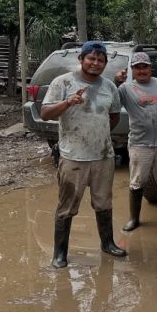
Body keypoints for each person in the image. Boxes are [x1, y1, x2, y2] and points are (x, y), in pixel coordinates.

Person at [41, 41, 127, 268]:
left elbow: (114, 116)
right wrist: (68, 102)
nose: (96, 63)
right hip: (73, 157)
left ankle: (107, 244)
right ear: (81, 59)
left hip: (103, 156)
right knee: (67, 206)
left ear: (104, 63)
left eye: (101, 60)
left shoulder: (109, 86)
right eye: (91, 58)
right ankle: (59, 253)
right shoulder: (63, 82)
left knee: (103, 203)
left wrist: (98, 133)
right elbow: (45, 113)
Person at [114, 52, 157, 232]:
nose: (142, 70)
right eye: (137, 67)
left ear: (151, 68)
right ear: (132, 70)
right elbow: (111, 102)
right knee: (137, 182)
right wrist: (115, 82)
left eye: (145, 66)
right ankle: (134, 218)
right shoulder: (125, 88)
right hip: (139, 143)